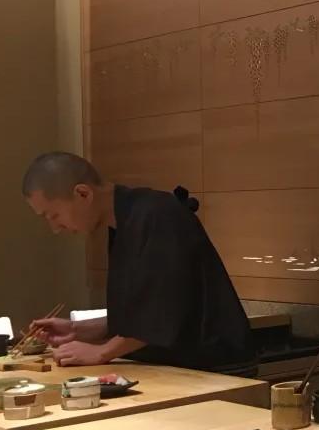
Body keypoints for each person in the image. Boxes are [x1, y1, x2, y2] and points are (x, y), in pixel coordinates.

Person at [22, 152, 254, 374]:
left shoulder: (156, 215)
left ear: (83, 193)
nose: (55, 228)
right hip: (180, 367)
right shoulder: (126, 220)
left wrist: (102, 352)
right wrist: (77, 330)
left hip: (214, 368)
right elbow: (143, 313)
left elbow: (161, 315)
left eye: (53, 215)